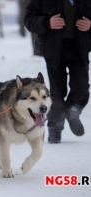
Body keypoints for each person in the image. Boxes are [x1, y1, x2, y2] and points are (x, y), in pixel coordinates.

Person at [25, 0, 91, 143]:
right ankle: (55, 126)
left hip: (80, 49)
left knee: (82, 90)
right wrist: (47, 22)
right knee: (56, 94)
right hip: (53, 50)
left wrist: (90, 25)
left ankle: (72, 111)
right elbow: (29, 19)